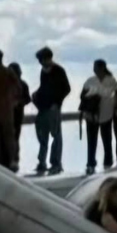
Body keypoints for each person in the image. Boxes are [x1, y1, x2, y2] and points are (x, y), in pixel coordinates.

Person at [33, 47, 71, 175]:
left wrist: (57, 103)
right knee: (42, 136)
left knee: (56, 136)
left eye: (41, 60)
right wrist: (37, 94)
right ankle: (42, 162)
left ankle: (56, 163)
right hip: (43, 107)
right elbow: (44, 87)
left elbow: (66, 88)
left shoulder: (58, 71)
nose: (40, 62)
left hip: (53, 108)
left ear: (47, 58)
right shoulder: (43, 72)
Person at [80, 59, 117, 174]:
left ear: (102, 68)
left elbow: (113, 94)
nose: (94, 69)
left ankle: (108, 163)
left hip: (106, 113)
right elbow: (82, 97)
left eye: (96, 67)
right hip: (91, 115)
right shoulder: (90, 81)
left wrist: (97, 92)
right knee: (92, 141)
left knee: (107, 140)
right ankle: (91, 164)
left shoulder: (111, 80)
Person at [9, 63, 31, 170]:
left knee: (15, 137)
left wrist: (19, 102)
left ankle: (14, 159)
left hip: (17, 115)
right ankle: (10, 159)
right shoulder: (7, 84)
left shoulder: (22, 85)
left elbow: (27, 99)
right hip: (9, 114)